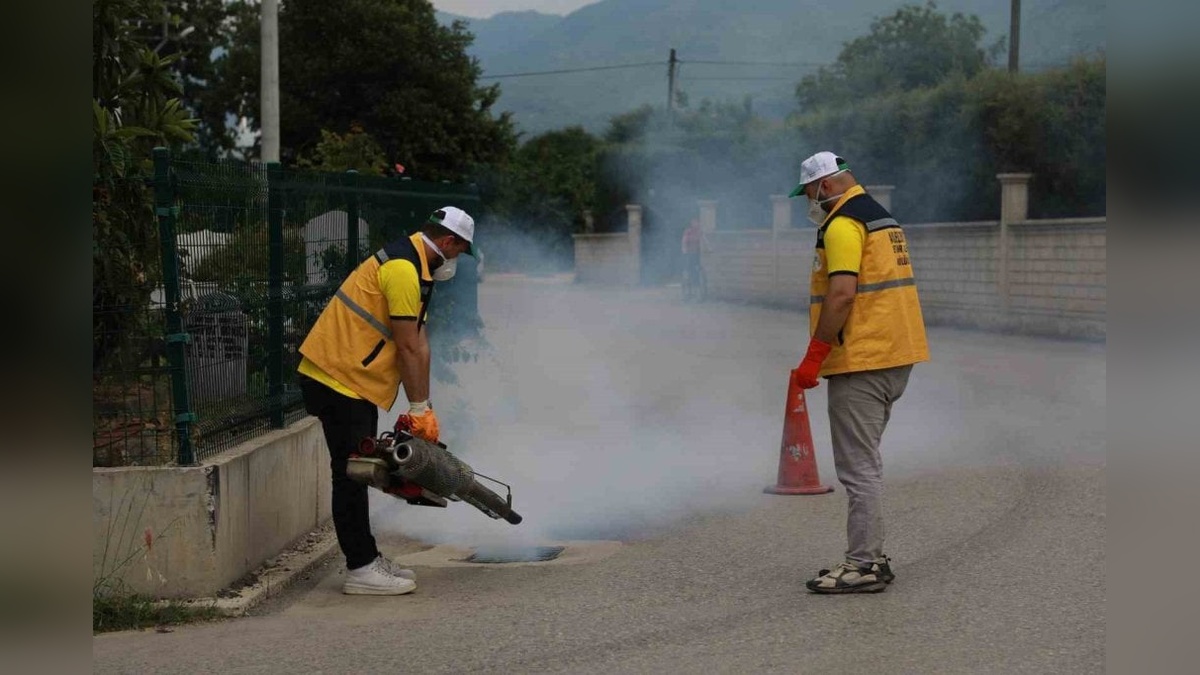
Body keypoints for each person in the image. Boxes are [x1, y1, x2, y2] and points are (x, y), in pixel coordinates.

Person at [296, 206, 476, 595]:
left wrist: (423, 406)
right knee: (352, 475)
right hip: (337, 378)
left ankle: (367, 556)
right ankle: (361, 568)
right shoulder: (402, 269)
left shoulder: (414, 268)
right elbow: (407, 347)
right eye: (460, 251)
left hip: (348, 379)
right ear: (447, 242)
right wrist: (416, 408)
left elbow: (419, 343)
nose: (457, 260)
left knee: (360, 471)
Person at [787, 152, 929, 593]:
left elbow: (843, 293)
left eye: (808, 193)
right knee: (864, 463)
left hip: (862, 361)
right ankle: (870, 555)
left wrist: (814, 356)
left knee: (858, 469)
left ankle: (864, 565)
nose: (808, 201)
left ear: (825, 186)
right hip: (896, 355)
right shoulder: (882, 218)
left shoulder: (843, 224)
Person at [680, 218, 706, 301]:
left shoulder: (700, 232)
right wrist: (684, 250)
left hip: (697, 255)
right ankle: (687, 294)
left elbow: (704, 241)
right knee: (687, 273)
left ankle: (697, 294)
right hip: (688, 255)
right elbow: (684, 241)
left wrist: (709, 249)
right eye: (694, 222)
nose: (695, 224)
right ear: (691, 223)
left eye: (697, 222)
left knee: (697, 273)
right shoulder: (688, 232)